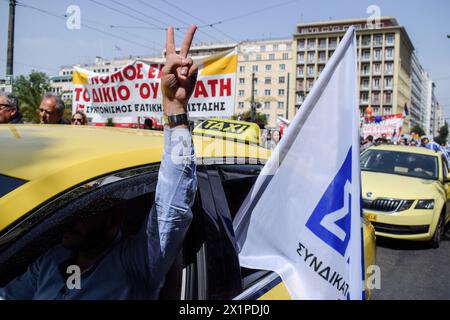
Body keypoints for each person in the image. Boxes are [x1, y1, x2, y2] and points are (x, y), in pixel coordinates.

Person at [0, 25, 199, 300]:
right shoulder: (47, 259)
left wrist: (175, 111)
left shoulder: (133, 265)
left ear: (114, 217)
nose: (68, 217)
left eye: (84, 209)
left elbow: (171, 211)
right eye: (69, 205)